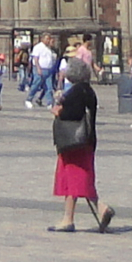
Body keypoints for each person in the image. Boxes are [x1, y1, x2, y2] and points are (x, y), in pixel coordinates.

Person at [48, 47, 106, 232]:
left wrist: (58, 111)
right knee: (79, 179)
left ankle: (77, 216)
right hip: (86, 140)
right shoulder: (88, 90)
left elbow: (72, 113)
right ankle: (80, 215)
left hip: (75, 141)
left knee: (75, 179)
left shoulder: (76, 92)